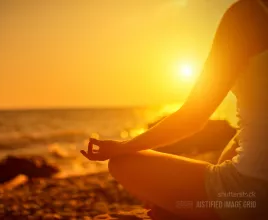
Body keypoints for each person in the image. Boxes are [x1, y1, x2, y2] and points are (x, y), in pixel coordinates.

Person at [81, 0, 268, 219]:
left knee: (123, 164)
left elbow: (193, 117)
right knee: (233, 148)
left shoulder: (247, 14)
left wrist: (122, 147)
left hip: (253, 196)